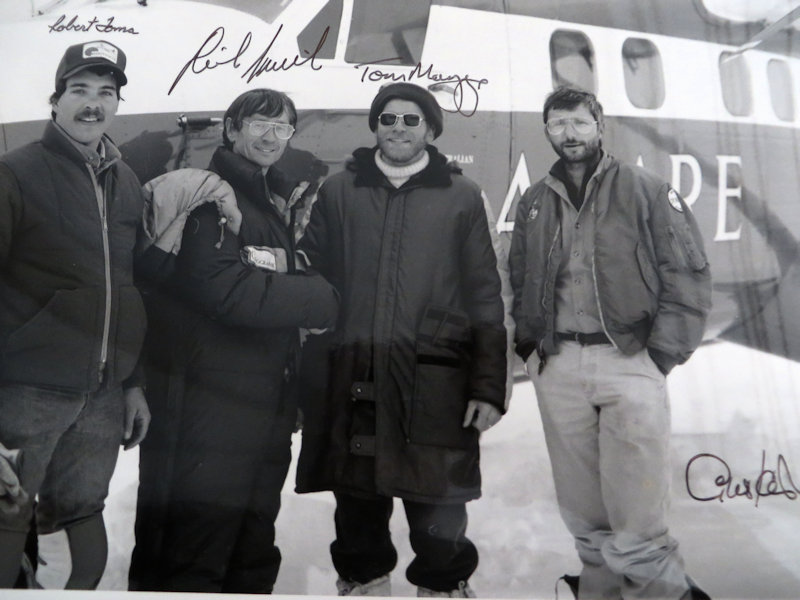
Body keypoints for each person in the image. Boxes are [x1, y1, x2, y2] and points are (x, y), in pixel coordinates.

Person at [295, 82, 508, 598]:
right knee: (357, 508)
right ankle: (364, 585)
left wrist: (487, 387)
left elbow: (484, 295)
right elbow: (312, 277)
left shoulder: (461, 197)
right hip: (356, 373)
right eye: (388, 119)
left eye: (411, 121)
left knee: (438, 513)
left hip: (432, 380)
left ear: (431, 130)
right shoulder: (340, 190)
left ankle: (444, 587)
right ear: (375, 127)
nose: (398, 129)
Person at [128, 88, 339, 594]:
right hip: (207, 404)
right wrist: (321, 297)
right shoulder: (207, 195)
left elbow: (260, 281)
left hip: (263, 406)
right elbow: (227, 291)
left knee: (251, 549)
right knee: (194, 554)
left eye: (283, 127)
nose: (271, 136)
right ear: (232, 130)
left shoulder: (266, 200)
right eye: (259, 124)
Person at [509, 86, 712, 600]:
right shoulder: (535, 200)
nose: (569, 134)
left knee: (639, 517)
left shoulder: (644, 188)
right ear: (547, 131)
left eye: (579, 122)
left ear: (600, 125)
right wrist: (532, 349)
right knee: (584, 514)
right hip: (560, 366)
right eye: (558, 124)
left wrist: (661, 354)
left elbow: (686, 273)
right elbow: (518, 275)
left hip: (629, 359)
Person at [0, 40, 150, 589]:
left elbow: (128, 288)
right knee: (6, 514)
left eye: (106, 93)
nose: (93, 104)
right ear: (56, 99)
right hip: (26, 392)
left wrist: (131, 383)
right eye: (80, 90)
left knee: (80, 516)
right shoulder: (14, 173)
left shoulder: (126, 182)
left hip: (102, 398)